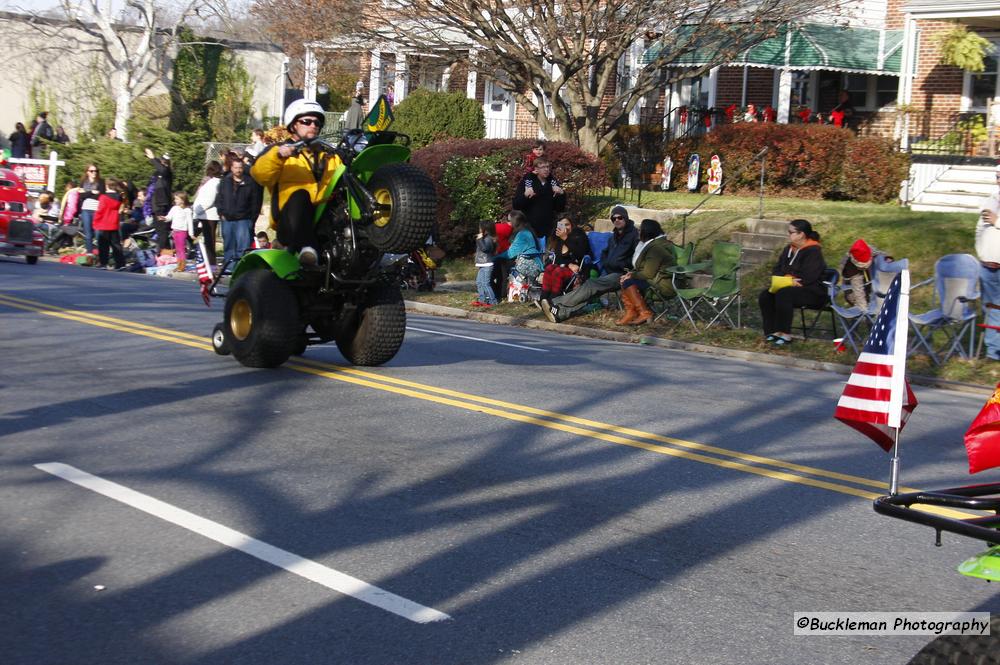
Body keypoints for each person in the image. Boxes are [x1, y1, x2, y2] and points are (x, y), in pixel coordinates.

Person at [250, 98, 343, 266]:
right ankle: (307, 249)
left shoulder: (329, 156)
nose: (313, 126)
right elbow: (259, 174)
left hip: (322, 221)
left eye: (317, 123)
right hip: (288, 221)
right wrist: (279, 155)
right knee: (300, 195)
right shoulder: (278, 151)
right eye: (307, 121)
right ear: (293, 125)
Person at [538, 205, 638, 323]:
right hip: (609, 272)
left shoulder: (633, 236)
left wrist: (629, 270)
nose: (616, 220)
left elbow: (638, 258)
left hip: (622, 274)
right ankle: (559, 313)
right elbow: (605, 254)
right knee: (590, 293)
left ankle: (554, 302)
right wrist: (606, 263)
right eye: (613, 218)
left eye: (620, 217)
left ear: (625, 218)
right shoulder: (614, 236)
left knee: (591, 285)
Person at [758, 219, 827, 347]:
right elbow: (777, 269)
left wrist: (789, 280)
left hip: (812, 291)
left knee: (785, 294)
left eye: (791, 232)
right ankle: (772, 332)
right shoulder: (788, 249)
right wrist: (787, 279)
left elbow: (810, 276)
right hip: (789, 286)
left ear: (801, 234)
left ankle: (785, 333)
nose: (788, 234)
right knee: (766, 295)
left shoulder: (814, 251)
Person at [616, 219, 676, 326]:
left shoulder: (655, 248)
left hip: (663, 283)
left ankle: (644, 313)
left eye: (640, 230)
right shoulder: (653, 244)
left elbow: (648, 274)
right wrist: (629, 275)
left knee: (628, 282)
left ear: (647, 232)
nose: (638, 232)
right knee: (626, 280)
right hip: (657, 278)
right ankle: (631, 312)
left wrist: (631, 275)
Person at [217, 152, 264, 264]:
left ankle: (240, 267)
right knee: (229, 246)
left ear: (243, 168)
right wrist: (221, 213)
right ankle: (228, 267)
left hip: (244, 219)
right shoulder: (225, 181)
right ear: (231, 168)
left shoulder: (250, 183)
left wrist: (252, 218)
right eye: (235, 168)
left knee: (242, 247)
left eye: (240, 168)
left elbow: (255, 202)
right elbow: (220, 198)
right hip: (227, 219)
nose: (238, 170)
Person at [491, 210, 544, 298]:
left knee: (499, 264)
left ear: (514, 222)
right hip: (529, 260)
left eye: (509, 220)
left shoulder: (523, 234)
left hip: (527, 263)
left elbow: (511, 253)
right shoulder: (527, 230)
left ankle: (500, 293)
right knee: (499, 263)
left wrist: (494, 257)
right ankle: (498, 291)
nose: (507, 223)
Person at [978, 165, 1000, 360]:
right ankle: (993, 348)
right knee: (990, 307)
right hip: (986, 265)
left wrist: (997, 221)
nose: (998, 179)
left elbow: (993, 222)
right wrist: (981, 251)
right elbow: (980, 229)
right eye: (997, 176)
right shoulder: (991, 199)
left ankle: (993, 351)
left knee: (996, 308)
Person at [512, 157, 566, 239]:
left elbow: (560, 208)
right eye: (543, 167)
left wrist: (561, 194)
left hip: (548, 227)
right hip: (530, 227)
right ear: (536, 169)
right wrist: (525, 196)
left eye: (548, 167)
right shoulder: (527, 183)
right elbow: (516, 205)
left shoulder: (553, 183)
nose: (546, 169)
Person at [540, 214, 588, 300]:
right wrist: (569, 264)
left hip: (578, 268)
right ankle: (543, 298)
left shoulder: (579, 235)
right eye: (562, 225)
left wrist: (566, 238)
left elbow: (580, 253)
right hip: (566, 267)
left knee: (557, 271)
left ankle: (555, 299)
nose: (565, 228)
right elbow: (558, 258)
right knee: (549, 268)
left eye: (567, 224)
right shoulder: (559, 239)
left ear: (572, 225)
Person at [192, 161, 222, 265]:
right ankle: (209, 261)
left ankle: (211, 262)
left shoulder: (214, 183)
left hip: (209, 215)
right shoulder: (214, 182)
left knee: (209, 241)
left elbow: (208, 200)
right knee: (208, 240)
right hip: (207, 215)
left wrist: (197, 211)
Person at [92, 179, 126, 270]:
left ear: (107, 186)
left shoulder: (103, 197)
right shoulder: (119, 197)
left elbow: (100, 210)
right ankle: (120, 264)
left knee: (103, 245)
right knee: (116, 245)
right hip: (114, 223)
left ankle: (103, 263)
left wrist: (95, 221)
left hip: (104, 223)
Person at [144, 148, 173, 255]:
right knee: (159, 230)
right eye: (161, 161)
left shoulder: (167, 173)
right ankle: (167, 254)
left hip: (162, 205)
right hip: (155, 206)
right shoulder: (157, 175)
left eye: (165, 162)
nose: (162, 163)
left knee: (163, 231)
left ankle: (160, 253)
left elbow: (163, 170)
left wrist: (152, 158)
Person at [838, 238, 875, 310]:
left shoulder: (868, 249)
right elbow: (858, 292)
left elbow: (878, 253)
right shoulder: (850, 269)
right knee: (858, 302)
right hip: (853, 290)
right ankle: (864, 318)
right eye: (862, 267)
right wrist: (865, 310)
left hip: (868, 284)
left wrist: (886, 258)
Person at [77, 163, 105, 253]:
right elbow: (81, 196)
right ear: (87, 172)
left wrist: (87, 193)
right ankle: (89, 253)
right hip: (86, 209)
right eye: (91, 171)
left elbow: (101, 196)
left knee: (98, 233)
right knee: (88, 233)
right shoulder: (83, 182)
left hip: (97, 209)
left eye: (96, 171)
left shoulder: (101, 182)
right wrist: (92, 192)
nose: (94, 173)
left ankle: (100, 253)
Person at [164, 191, 194, 272]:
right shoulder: (174, 208)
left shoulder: (187, 210)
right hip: (175, 231)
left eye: (177, 199)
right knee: (177, 249)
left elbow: (190, 222)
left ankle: (182, 265)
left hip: (182, 231)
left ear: (183, 200)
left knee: (181, 249)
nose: (175, 200)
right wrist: (164, 218)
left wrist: (191, 233)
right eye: (175, 199)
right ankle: (178, 264)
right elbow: (169, 217)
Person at [473, 220, 499, 308]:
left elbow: (485, 248)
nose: (479, 229)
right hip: (482, 264)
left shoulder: (489, 239)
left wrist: (480, 239)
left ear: (485, 229)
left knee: (485, 283)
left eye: (480, 228)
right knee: (479, 282)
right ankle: (482, 299)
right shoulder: (485, 238)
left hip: (487, 264)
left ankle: (493, 300)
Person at [490, 215, 514, 302]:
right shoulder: (512, 229)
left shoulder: (496, 227)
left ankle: (497, 294)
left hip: (495, 255)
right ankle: (501, 294)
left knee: (491, 277)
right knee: (503, 277)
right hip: (506, 254)